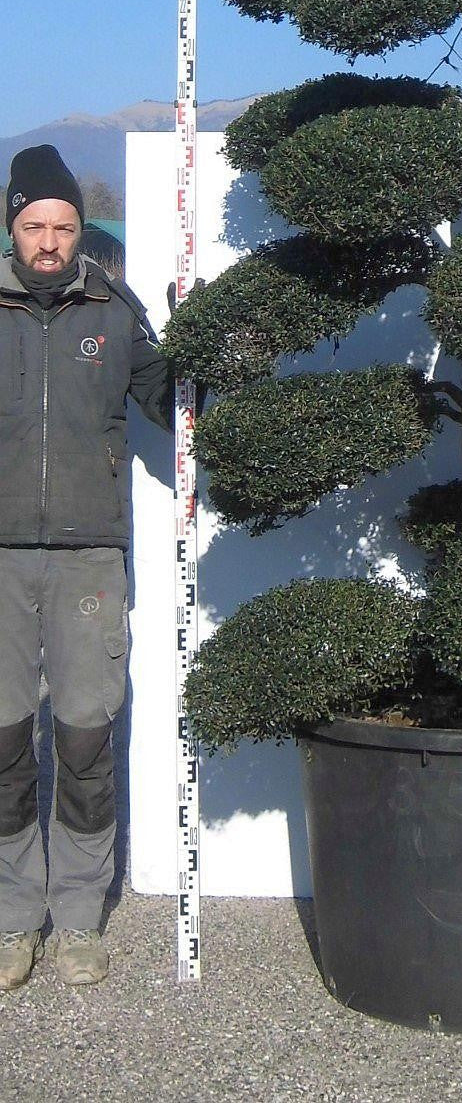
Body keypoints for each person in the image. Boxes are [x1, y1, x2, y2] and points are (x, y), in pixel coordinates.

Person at [0, 144, 173, 989]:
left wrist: (209, 340)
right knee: (0, 744)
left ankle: (76, 917)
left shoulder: (111, 310)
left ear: (79, 233)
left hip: (88, 560)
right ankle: (10, 919)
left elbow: (172, 398)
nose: (49, 240)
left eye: (64, 226)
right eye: (34, 224)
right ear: (11, 227)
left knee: (84, 738)